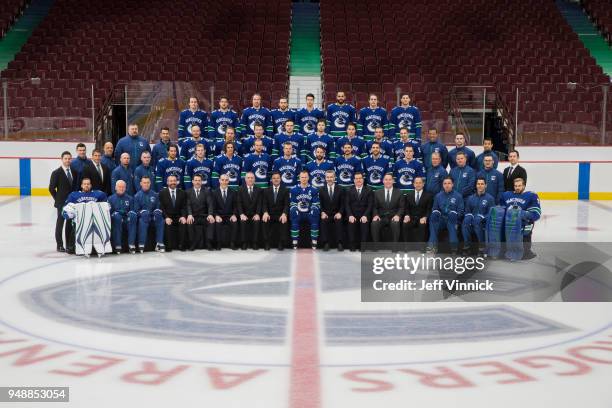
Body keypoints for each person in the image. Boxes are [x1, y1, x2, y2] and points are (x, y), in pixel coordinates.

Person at [62, 177, 108, 255]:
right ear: (81, 185)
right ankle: (72, 247)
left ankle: (100, 247)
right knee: (76, 225)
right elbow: (66, 209)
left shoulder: (99, 194)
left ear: (91, 185)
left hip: (95, 220)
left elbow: (106, 206)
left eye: (88, 184)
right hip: (80, 220)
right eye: (85, 184)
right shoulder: (74, 195)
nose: (86, 185)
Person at [500, 177, 541, 259]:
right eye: (515, 186)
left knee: (528, 226)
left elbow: (536, 213)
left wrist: (520, 214)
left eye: (519, 186)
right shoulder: (506, 195)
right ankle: (504, 249)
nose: (517, 188)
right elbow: (501, 209)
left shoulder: (531, 195)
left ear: (524, 186)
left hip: (523, 222)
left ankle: (526, 251)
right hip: (509, 222)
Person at [427, 177, 464, 254]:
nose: (447, 185)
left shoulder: (458, 196)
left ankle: (454, 247)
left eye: (449, 183)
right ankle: (432, 246)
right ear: (443, 185)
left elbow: (461, 212)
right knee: (433, 220)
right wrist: (436, 212)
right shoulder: (438, 196)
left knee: (452, 220)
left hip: (453, 219)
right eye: (445, 183)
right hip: (442, 219)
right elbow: (434, 208)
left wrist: (455, 214)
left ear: (452, 184)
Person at [49, 151, 77, 252]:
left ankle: (69, 244)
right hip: (61, 203)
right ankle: (59, 245)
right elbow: (51, 188)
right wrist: (58, 200)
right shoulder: (56, 173)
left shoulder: (74, 172)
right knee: (60, 223)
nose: (68, 160)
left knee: (70, 224)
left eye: (69, 158)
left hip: (72, 203)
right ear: (62, 159)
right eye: (66, 158)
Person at [461, 177, 495, 256]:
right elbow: (467, 211)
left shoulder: (490, 198)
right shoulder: (471, 198)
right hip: (472, 222)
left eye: (482, 184)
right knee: (466, 221)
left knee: (477, 220)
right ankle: (467, 246)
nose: (480, 186)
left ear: (486, 185)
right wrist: (469, 216)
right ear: (476, 185)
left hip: (483, 223)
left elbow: (491, 213)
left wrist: (483, 217)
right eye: (478, 184)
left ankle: (481, 247)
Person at [289, 170, 320, 249]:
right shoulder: (294, 189)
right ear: (299, 178)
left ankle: (314, 241)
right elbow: (292, 203)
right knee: (293, 212)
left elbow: (316, 203)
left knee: (315, 212)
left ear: (308, 178)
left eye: (305, 177)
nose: (304, 179)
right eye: (302, 177)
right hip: (298, 212)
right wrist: (295, 208)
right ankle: (295, 241)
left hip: (309, 212)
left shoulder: (314, 189)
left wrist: (313, 209)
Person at [134, 176, 165, 253]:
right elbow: (136, 211)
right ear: (141, 183)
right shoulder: (137, 196)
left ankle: (159, 243)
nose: (146, 184)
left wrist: (156, 212)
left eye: (148, 182)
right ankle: (141, 243)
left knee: (160, 219)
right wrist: (142, 213)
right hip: (143, 218)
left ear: (150, 183)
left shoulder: (155, 194)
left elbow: (158, 207)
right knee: (142, 220)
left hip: (153, 217)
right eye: (144, 183)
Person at [371, 173, 405, 243]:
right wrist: (376, 215)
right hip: (381, 216)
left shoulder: (399, 192)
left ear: (393, 181)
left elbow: (401, 207)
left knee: (395, 223)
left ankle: (395, 247)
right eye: (386, 180)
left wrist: (398, 215)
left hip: (393, 216)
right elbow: (375, 207)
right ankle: (376, 246)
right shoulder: (377, 193)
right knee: (374, 223)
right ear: (383, 181)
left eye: (390, 180)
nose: (388, 181)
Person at [345, 172, 373, 251]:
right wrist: (350, 215)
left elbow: (370, 205)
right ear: (354, 180)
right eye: (356, 179)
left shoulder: (369, 190)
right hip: (353, 214)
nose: (358, 180)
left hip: (364, 214)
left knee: (364, 223)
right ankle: (352, 244)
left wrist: (365, 215)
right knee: (351, 222)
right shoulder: (349, 190)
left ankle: (363, 245)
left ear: (363, 180)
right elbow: (347, 205)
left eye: (360, 178)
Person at [158, 174, 188, 251]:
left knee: (183, 223)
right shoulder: (162, 193)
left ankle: (182, 245)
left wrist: (183, 216)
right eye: (171, 181)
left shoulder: (182, 192)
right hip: (168, 216)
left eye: (174, 181)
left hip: (178, 216)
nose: (173, 182)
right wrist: (166, 217)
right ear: (167, 182)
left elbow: (184, 207)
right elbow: (161, 207)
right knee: (167, 224)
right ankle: (169, 246)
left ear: (177, 182)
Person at [186, 174, 215, 251]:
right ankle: (192, 244)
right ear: (192, 181)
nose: (197, 182)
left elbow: (210, 204)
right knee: (189, 222)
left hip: (204, 215)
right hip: (194, 216)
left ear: (202, 182)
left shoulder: (207, 191)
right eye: (196, 180)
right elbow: (188, 205)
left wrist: (210, 214)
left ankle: (209, 243)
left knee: (211, 221)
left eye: (199, 180)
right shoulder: (188, 192)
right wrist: (189, 214)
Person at [262, 172, 290, 250]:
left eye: (277, 178)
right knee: (264, 220)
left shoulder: (285, 190)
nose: (276, 179)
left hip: (280, 214)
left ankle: (281, 242)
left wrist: (284, 213)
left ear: (280, 179)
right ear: (271, 180)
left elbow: (286, 204)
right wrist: (265, 212)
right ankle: (266, 242)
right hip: (270, 214)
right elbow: (264, 204)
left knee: (284, 221)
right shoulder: (266, 190)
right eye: (274, 178)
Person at [210, 173, 239, 250]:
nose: (224, 182)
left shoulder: (233, 192)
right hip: (219, 215)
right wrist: (216, 215)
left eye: (226, 180)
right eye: (222, 180)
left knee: (235, 222)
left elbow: (235, 206)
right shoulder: (214, 192)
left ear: (228, 181)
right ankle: (218, 243)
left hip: (230, 215)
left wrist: (234, 214)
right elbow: (213, 207)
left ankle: (232, 243)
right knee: (217, 223)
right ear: (219, 181)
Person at [108, 180, 137, 254]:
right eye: (119, 187)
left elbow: (132, 210)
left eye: (123, 187)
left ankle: (131, 245)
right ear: (115, 188)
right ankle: (118, 245)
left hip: (127, 219)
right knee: (117, 217)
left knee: (132, 216)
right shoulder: (110, 199)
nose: (121, 188)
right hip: (116, 220)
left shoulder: (130, 198)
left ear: (125, 188)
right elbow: (109, 213)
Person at [318, 170, 345, 251]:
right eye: (328, 177)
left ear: (334, 178)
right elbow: (320, 204)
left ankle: (339, 243)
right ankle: (325, 243)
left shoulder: (340, 189)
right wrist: (322, 212)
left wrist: (340, 213)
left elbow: (343, 204)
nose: (329, 179)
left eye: (331, 177)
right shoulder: (321, 190)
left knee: (339, 220)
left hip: (336, 213)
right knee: (323, 221)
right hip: (326, 213)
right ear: (325, 178)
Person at [402, 176, 433, 245]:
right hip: (411, 217)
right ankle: (406, 246)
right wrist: (407, 215)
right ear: (413, 184)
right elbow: (406, 208)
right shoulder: (408, 195)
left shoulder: (429, 196)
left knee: (422, 225)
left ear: (423, 184)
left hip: (422, 217)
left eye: (420, 183)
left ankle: (421, 246)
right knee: (405, 224)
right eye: (416, 183)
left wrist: (425, 217)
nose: (418, 184)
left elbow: (429, 209)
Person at [237, 172, 263, 250]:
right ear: (245, 179)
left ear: (254, 179)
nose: (250, 179)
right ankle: (244, 242)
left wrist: (258, 214)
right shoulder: (240, 189)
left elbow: (259, 203)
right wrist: (241, 214)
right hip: (244, 214)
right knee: (243, 222)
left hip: (255, 214)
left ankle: (254, 242)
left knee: (257, 222)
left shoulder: (259, 190)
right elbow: (239, 203)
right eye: (248, 178)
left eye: (252, 178)